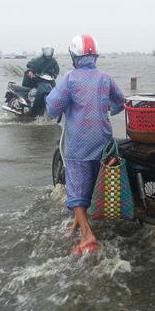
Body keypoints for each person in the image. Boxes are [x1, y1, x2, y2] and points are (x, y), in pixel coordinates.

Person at [46, 34, 125, 253]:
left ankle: (87, 235)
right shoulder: (105, 78)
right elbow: (120, 102)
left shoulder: (70, 78)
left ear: (74, 56)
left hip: (78, 144)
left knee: (77, 191)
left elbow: (53, 106)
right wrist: (109, 108)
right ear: (95, 56)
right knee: (90, 186)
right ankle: (74, 226)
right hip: (103, 143)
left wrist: (57, 109)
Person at [22, 45, 60, 117]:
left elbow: (56, 70)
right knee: (35, 93)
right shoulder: (38, 59)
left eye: (49, 55)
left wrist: (54, 76)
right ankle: (32, 108)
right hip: (37, 79)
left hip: (48, 81)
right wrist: (30, 71)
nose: (48, 57)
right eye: (47, 55)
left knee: (56, 91)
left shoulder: (53, 61)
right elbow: (30, 64)